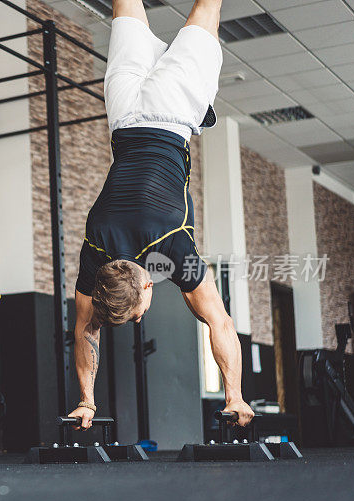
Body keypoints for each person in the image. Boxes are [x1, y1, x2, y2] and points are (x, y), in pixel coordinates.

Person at [68, 0, 255, 430]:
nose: (142, 315)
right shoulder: (97, 248)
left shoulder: (171, 246)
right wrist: (87, 403)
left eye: (139, 311)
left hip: (173, 111)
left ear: (149, 284)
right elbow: (84, 330)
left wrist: (236, 397)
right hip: (123, 113)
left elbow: (218, 320)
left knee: (208, 7)